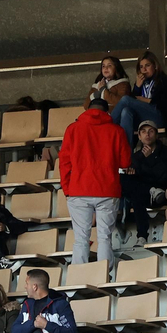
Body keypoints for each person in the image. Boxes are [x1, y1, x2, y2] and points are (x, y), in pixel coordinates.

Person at [60, 98, 130, 267]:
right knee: (104, 238)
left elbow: (64, 162)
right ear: (107, 112)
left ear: (88, 110)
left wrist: (67, 189)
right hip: (108, 190)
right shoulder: (117, 131)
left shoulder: (73, 129)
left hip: (79, 189)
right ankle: (105, 275)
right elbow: (125, 162)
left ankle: (79, 278)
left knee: (81, 239)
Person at [122, 121, 167, 243]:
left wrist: (151, 158)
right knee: (125, 181)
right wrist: (131, 173)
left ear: (157, 135)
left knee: (136, 194)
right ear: (139, 136)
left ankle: (142, 236)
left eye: (151, 131)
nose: (147, 134)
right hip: (144, 195)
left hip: (163, 194)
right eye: (143, 132)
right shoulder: (136, 156)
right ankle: (141, 237)